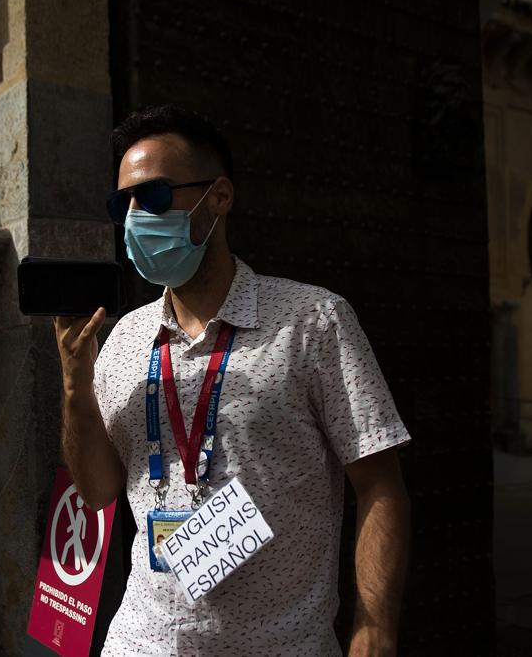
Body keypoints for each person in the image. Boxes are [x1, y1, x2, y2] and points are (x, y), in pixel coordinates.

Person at [52, 105, 412, 656]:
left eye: (150, 197)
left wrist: (375, 626)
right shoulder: (122, 338)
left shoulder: (313, 321)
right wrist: (75, 382)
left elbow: (380, 484)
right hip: (141, 643)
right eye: (120, 202)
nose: (132, 216)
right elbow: (98, 491)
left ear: (218, 197)